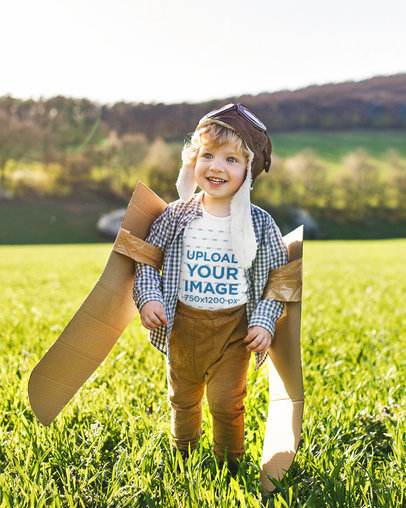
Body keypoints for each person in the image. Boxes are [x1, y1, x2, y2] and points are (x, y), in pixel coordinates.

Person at [133, 104, 288, 470]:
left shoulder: (260, 224)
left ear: (248, 171)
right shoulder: (176, 215)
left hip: (233, 331)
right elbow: (146, 261)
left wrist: (264, 321)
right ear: (193, 160)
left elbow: (277, 281)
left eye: (232, 159)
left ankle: (228, 465)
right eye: (208, 155)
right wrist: (149, 297)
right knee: (183, 399)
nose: (216, 166)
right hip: (182, 326)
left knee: (226, 402)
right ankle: (182, 458)